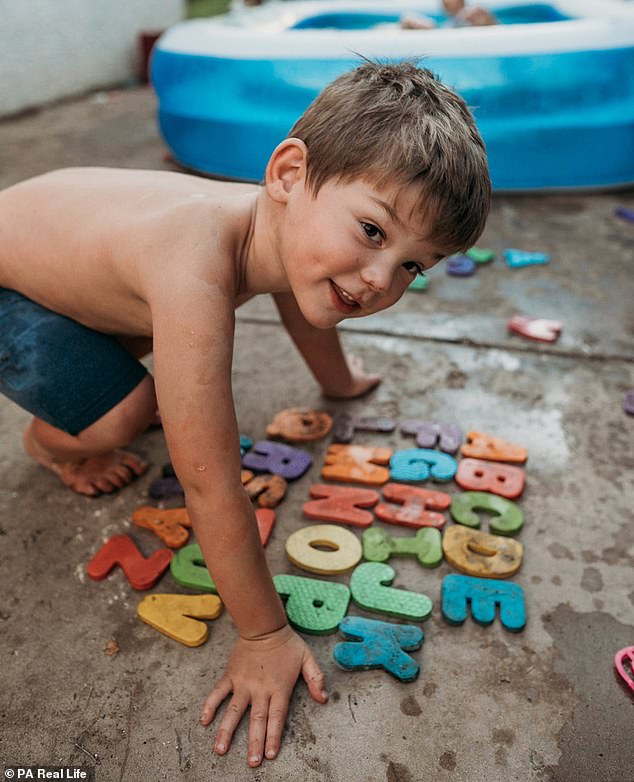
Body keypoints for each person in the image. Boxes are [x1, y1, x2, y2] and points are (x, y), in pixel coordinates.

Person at [0, 61, 490, 766]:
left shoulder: (281, 228)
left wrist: (342, 384)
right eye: (375, 232)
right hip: (10, 289)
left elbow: (307, 300)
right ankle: (53, 441)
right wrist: (262, 635)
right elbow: (210, 483)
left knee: (171, 353)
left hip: (59, 256)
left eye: (416, 265)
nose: (382, 279)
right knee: (129, 410)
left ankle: (90, 381)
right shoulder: (195, 258)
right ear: (288, 173)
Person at [401, 0, 497, 29]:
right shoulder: (449, 22)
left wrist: (486, 21)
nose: (445, 1)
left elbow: (490, 25)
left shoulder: (475, 14)